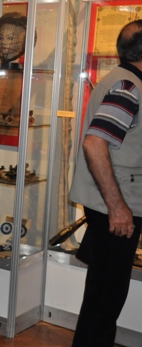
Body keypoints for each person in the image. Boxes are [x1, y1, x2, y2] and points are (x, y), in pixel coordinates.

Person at [68, 20, 142, 347]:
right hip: (117, 206)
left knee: (103, 291)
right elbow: (95, 143)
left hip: (112, 202)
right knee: (107, 295)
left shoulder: (123, 80)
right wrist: (117, 207)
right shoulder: (128, 87)